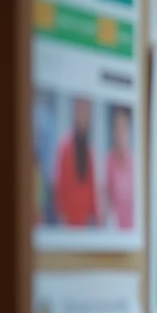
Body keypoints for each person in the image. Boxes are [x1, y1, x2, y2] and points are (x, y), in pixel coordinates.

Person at [52, 97, 99, 227]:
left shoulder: (89, 151)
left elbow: (92, 188)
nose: (83, 116)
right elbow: (59, 184)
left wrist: (94, 216)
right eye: (80, 111)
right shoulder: (65, 147)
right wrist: (62, 214)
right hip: (68, 220)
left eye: (86, 112)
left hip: (85, 221)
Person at [104, 106, 135, 230]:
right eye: (117, 127)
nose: (120, 132)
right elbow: (106, 199)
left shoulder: (134, 163)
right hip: (115, 232)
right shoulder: (109, 161)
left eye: (123, 127)